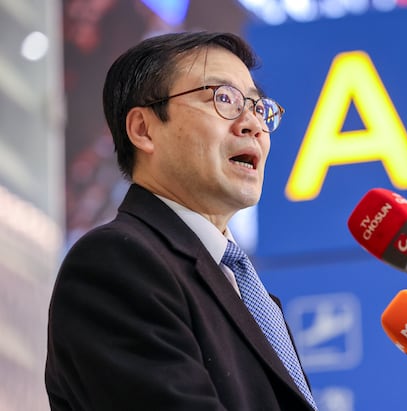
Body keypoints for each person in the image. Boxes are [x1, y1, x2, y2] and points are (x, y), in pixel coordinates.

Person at [45, 31, 318, 410]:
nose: (253, 125)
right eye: (224, 98)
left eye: (258, 107)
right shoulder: (116, 264)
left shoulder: (249, 292)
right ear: (143, 129)